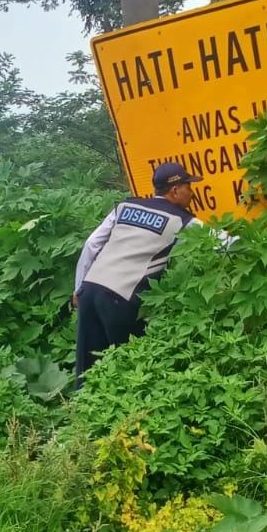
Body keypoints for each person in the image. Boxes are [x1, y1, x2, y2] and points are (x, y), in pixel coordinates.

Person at [73, 162, 202, 384]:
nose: (191, 192)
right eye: (188, 186)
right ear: (175, 190)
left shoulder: (124, 208)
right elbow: (223, 242)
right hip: (120, 299)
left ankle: (81, 411)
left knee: (88, 369)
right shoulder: (183, 221)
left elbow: (91, 245)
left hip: (90, 290)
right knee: (130, 369)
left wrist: (78, 288)